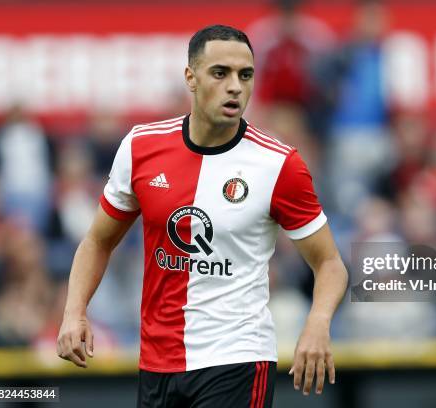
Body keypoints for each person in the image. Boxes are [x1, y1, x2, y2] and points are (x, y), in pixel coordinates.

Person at [56, 25, 348, 408]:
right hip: (158, 362)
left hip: (238, 359)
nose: (235, 87)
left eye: (245, 75)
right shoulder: (141, 147)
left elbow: (330, 263)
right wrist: (74, 312)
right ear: (190, 78)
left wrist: (318, 322)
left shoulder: (278, 165)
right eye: (220, 73)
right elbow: (98, 240)